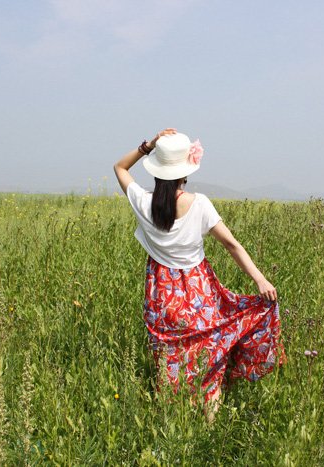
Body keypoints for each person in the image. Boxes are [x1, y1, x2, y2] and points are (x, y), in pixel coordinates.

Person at [113, 128, 286, 422]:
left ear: (157, 170)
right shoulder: (200, 204)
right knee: (211, 359)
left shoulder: (143, 202)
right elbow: (232, 245)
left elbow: (119, 167)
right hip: (198, 294)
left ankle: (170, 423)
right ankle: (208, 430)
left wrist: (150, 145)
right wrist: (260, 279)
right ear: (185, 171)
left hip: (161, 296)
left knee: (169, 357)